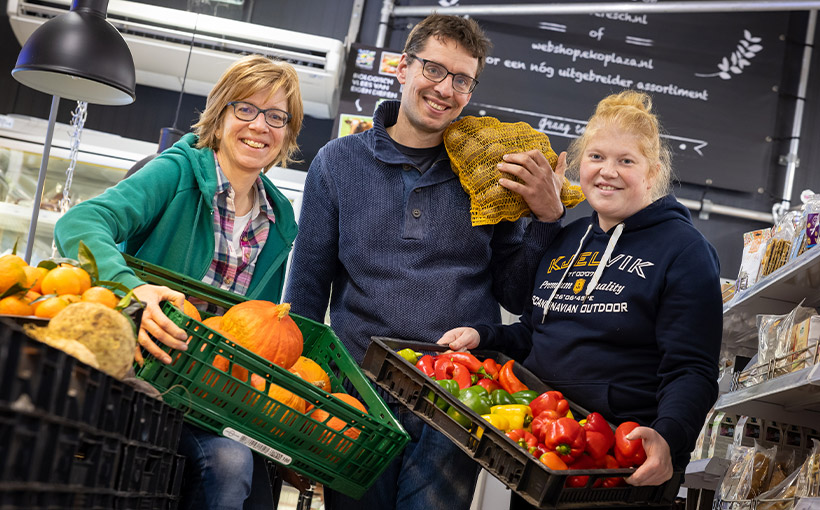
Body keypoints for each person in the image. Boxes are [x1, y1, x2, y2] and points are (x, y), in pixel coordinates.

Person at [284, 13, 567, 510]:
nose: (445, 89)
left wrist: (547, 217)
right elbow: (306, 286)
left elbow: (517, 294)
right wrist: (299, 396)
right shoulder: (337, 162)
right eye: (434, 70)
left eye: (462, 80)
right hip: (359, 393)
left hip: (456, 400)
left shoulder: (488, 174)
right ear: (402, 67)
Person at [438, 90, 723, 507]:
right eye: (596, 157)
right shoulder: (570, 239)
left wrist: (669, 436)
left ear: (652, 173)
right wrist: (483, 336)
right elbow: (535, 332)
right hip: (544, 450)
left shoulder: (685, 250)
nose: (608, 172)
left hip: (615, 467)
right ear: (578, 164)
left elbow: (692, 368)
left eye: (626, 160)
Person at [53, 54, 303, 510]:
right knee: (218, 468)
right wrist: (133, 287)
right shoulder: (179, 171)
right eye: (245, 109)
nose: (259, 126)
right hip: (141, 366)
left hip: (211, 392)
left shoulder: (280, 220)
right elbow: (80, 223)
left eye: (276, 116)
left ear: (288, 131)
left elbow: (259, 330)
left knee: (250, 481)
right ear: (221, 113)